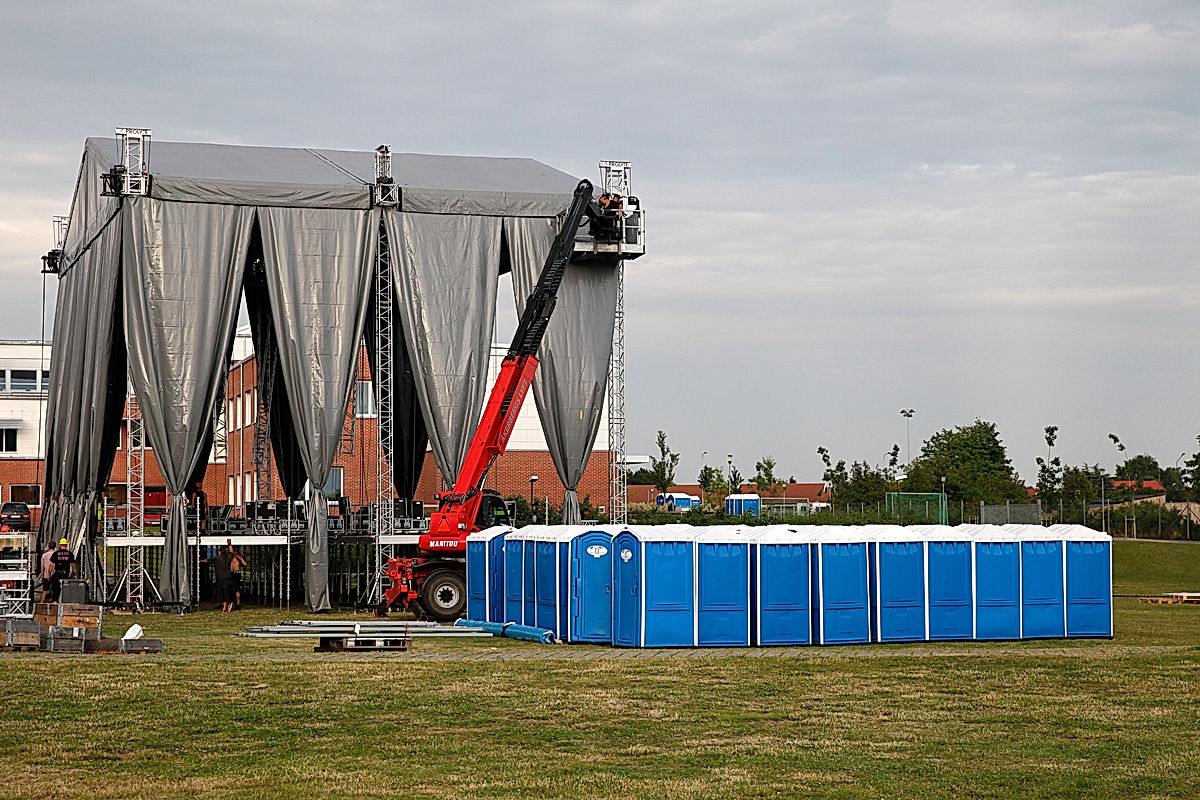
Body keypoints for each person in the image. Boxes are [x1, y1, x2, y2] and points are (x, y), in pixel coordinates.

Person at [47, 538, 77, 602]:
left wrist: (49, 574)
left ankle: (55, 601)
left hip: (58, 573)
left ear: (60, 545)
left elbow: (51, 565)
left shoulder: (56, 553)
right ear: (66, 545)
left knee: (55, 589)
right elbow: (73, 565)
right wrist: (75, 574)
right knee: (66, 588)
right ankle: (65, 601)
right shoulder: (70, 554)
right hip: (66, 574)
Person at [211, 543, 235, 612]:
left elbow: (207, 560)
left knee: (223, 594)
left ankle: (225, 608)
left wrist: (199, 561)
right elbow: (231, 552)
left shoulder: (217, 558)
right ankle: (226, 605)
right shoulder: (228, 557)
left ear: (220, 551)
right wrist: (230, 544)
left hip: (222, 579)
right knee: (225, 593)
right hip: (227, 578)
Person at [226, 539, 247, 610]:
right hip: (231, 573)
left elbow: (244, 564)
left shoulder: (237, 555)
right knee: (230, 589)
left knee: (236, 589)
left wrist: (239, 562)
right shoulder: (229, 556)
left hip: (236, 573)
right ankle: (229, 603)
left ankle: (237, 604)